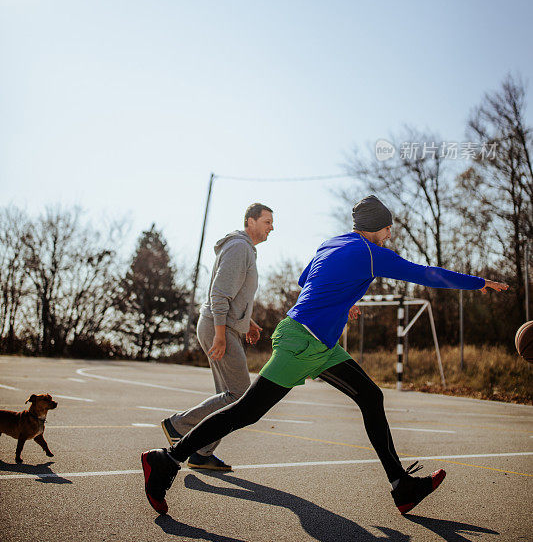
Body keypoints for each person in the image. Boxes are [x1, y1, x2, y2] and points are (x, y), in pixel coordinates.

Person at [142, 195, 508, 516]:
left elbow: (306, 280)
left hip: (322, 345)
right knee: (246, 411)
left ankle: (401, 485)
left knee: (371, 396)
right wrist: (479, 282)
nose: (390, 235)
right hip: (303, 342)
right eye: (387, 229)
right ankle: (167, 460)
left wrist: (343, 300)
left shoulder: (333, 243)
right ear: (375, 228)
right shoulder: (370, 253)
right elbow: (423, 274)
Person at [160, 203, 273, 471]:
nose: (272, 227)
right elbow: (219, 294)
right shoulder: (239, 248)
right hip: (217, 327)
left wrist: (249, 323)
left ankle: (202, 452)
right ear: (250, 222)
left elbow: (235, 297)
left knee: (228, 394)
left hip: (223, 325)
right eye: (267, 221)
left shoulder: (244, 249)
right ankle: (178, 425)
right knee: (239, 394)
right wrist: (220, 335)